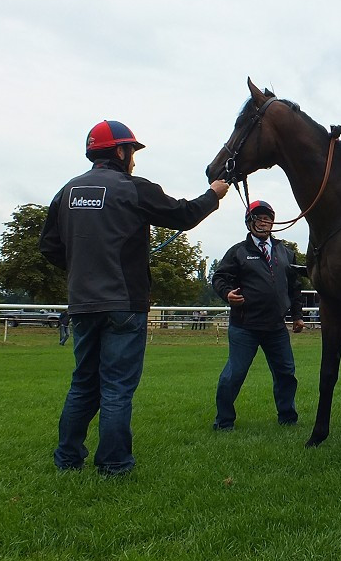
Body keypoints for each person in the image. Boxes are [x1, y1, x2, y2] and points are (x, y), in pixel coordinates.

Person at [40, 120, 229, 475]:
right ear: (121, 151)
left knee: (83, 383)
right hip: (124, 305)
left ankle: (67, 459)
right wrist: (213, 195)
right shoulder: (133, 188)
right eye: (132, 153)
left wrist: (85, 266)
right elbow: (183, 215)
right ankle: (113, 464)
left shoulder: (66, 191)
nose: (134, 161)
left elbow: (49, 246)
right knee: (116, 388)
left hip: (82, 304)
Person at [211, 201, 305, 431]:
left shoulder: (286, 252)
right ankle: (223, 422)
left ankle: (287, 418)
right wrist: (227, 294)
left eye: (267, 218)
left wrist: (297, 316)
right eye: (258, 218)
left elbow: (295, 287)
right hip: (245, 326)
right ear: (249, 221)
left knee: (286, 373)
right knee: (234, 374)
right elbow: (219, 278)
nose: (264, 222)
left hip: (276, 327)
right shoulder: (237, 252)